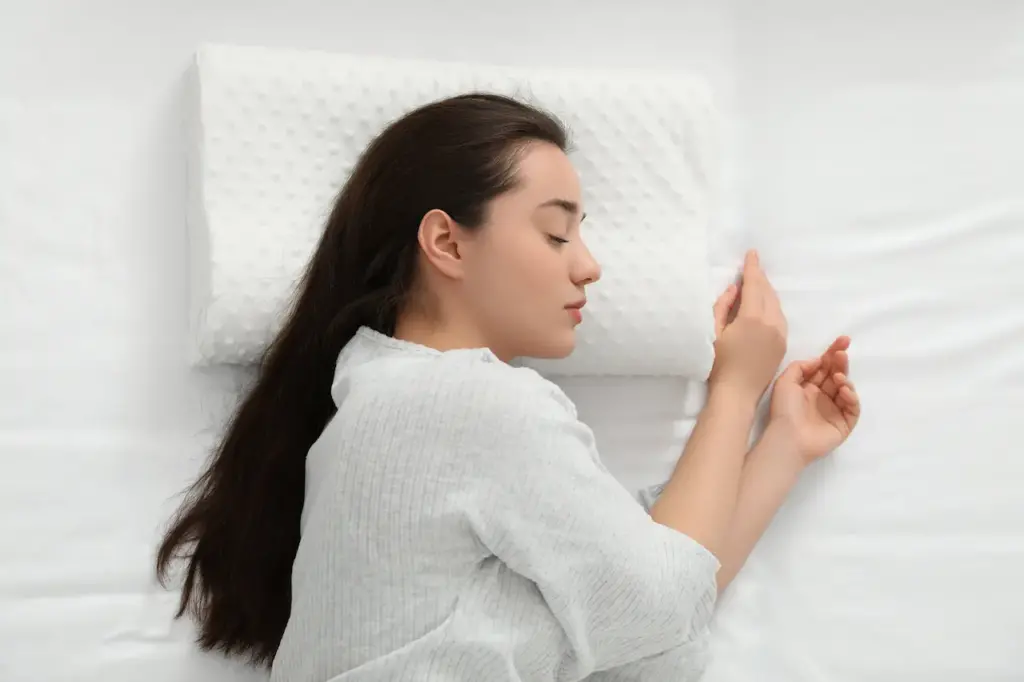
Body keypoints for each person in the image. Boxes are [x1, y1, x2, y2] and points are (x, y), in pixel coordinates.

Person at [156, 92, 861, 682]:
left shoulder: (389, 407)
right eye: (557, 235)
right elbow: (660, 606)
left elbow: (647, 599)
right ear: (448, 245)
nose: (589, 266)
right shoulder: (470, 403)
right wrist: (735, 393)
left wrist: (782, 445)